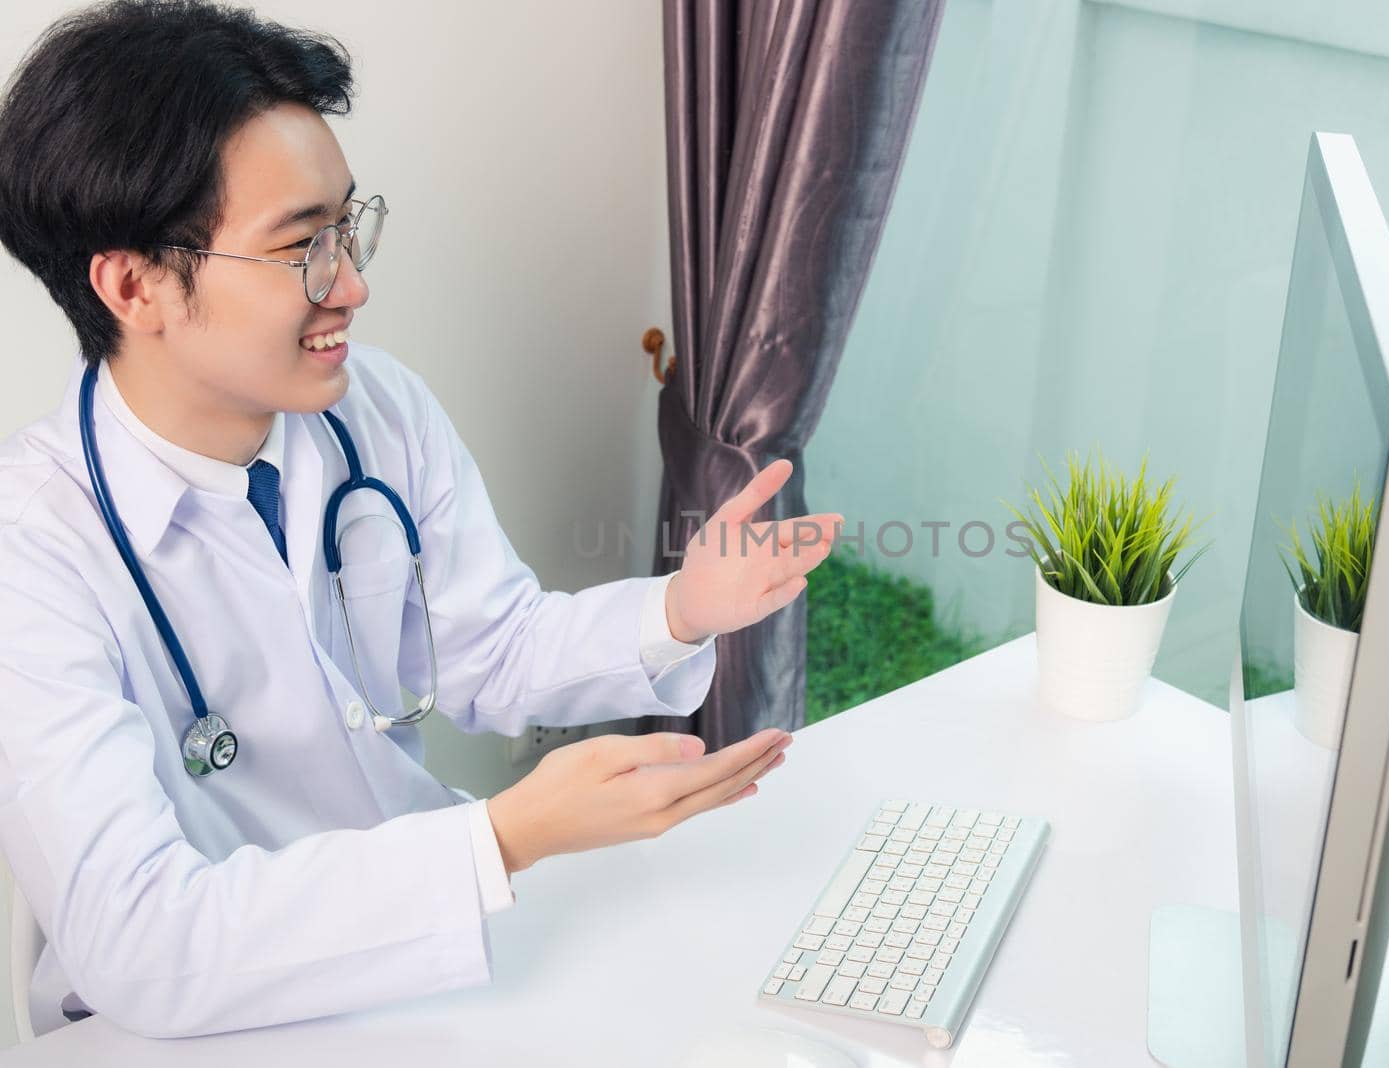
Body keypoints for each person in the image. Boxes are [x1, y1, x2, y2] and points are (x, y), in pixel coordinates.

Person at [0, 0, 840, 1038]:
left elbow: (489, 650)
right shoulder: (32, 549)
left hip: (430, 957)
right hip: (180, 1027)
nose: (352, 284)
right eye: (302, 246)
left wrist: (682, 608)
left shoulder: (372, 407)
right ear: (134, 285)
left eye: (348, 227)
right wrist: (501, 840)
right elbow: (143, 942)